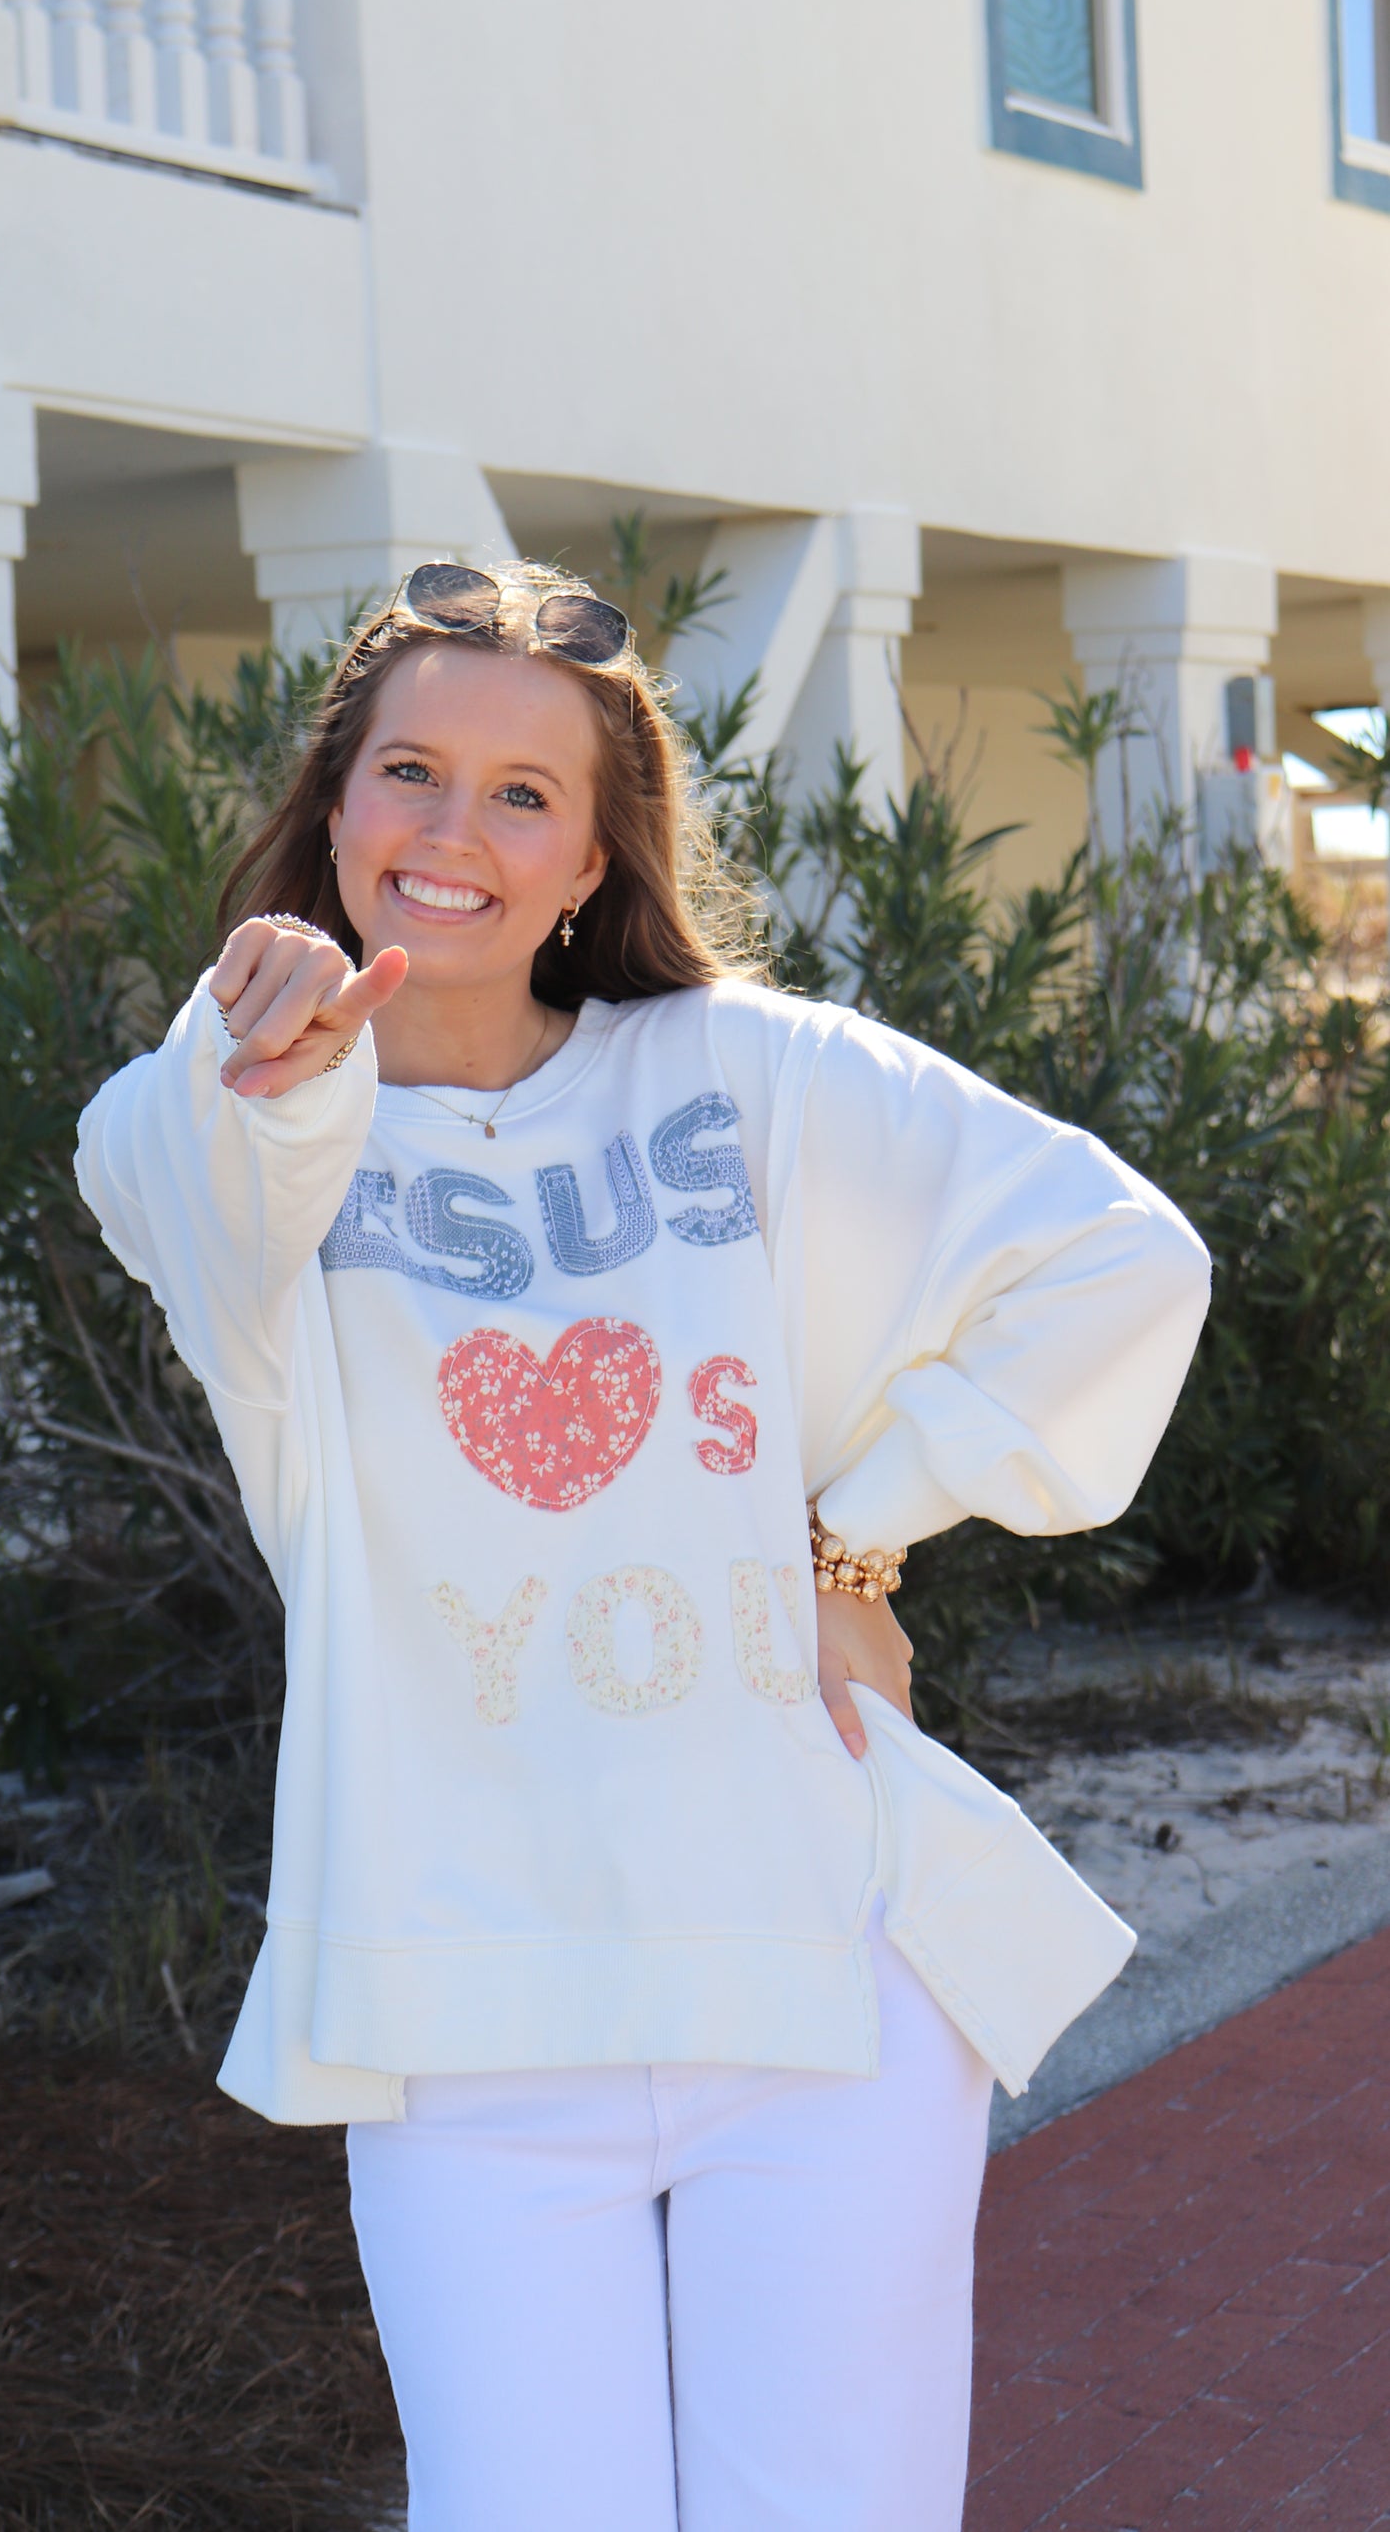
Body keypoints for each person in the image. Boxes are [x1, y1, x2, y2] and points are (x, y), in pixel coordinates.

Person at [75, 561, 1210, 2532]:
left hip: (819, 1965)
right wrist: (263, 1056)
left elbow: (1119, 1258)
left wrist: (851, 1541)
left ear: (594, 857)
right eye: (410, 770)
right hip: (465, 2008)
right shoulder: (224, 1120)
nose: (453, 829)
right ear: (333, 804)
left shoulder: (742, 1073)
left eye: (524, 793)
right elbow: (199, 1188)